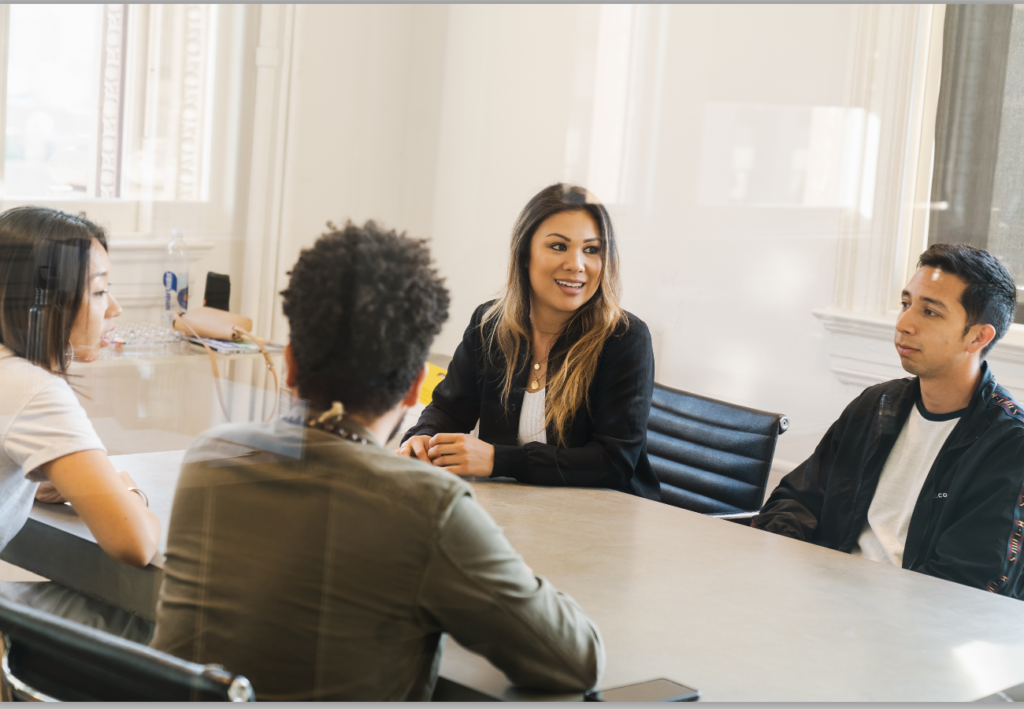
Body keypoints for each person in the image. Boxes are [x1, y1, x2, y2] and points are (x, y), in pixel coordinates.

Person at [150, 220, 604, 701]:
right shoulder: (430, 508)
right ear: (415, 388)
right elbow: (575, 661)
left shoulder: (210, 457)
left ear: (291, 366)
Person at [753, 243, 1024, 597]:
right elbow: (796, 500)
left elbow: (965, 585)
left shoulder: (1009, 444)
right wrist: (795, 576)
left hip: (909, 621)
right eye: (906, 303)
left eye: (930, 312)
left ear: (977, 337)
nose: (903, 323)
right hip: (824, 598)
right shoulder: (878, 404)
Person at [399, 183, 659, 499]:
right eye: (559, 246)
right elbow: (449, 408)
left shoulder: (625, 338)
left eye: (591, 250)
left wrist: (497, 460)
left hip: (605, 517)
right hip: (518, 508)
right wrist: (422, 438)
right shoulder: (490, 324)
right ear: (525, 255)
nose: (577, 264)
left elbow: (614, 462)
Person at [0, 206, 160, 640]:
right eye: (100, 291)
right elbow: (135, 542)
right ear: (46, 302)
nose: (114, 309)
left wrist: (38, 479)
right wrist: (126, 489)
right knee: (156, 624)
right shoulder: (31, 388)